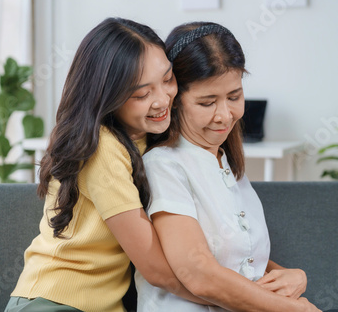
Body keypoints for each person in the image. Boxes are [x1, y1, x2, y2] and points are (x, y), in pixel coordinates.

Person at [4, 18, 208, 312]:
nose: (163, 100)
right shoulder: (101, 148)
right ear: (106, 96)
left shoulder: (150, 138)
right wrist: (246, 298)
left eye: (168, 79)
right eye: (141, 94)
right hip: (53, 302)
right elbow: (158, 270)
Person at [134, 22, 323, 312]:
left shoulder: (226, 164)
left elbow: (238, 258)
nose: (224, 115)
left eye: (234, 97)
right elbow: (198, 271)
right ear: (174, 101)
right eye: (207, 102)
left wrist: (290, 275)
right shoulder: (164, 165)